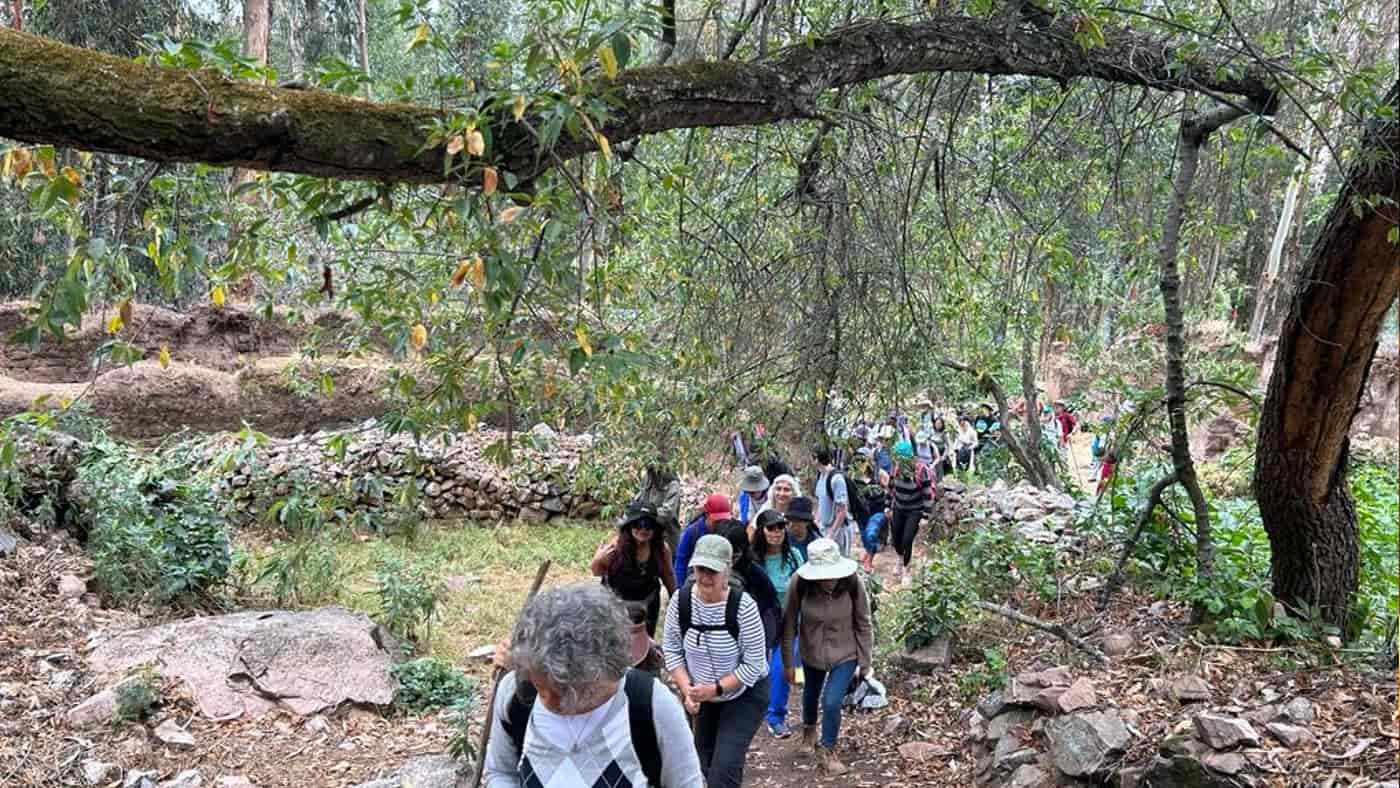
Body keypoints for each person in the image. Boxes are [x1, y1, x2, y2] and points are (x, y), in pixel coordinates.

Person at [484, 583, 704, 788]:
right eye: (540, 689)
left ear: (600, 675)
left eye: (561, 693)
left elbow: (687, 783)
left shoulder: (650, 705)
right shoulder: (516, 694)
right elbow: (500, 772)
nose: (547, 701)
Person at [662, 534, 770, 788]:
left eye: (713, 571)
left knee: (725, 766)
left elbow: (753, 664)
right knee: (699, 764)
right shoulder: (682, 601)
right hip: (702, 695)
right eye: (701, 569)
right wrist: (687, 689)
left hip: (745, 693)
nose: (706, 577)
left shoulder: (743, 606)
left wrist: (715, 688)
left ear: (726, 570)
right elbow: (672, 649)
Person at [780, 538, 873, 776]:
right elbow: (789, 623)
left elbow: (863, 622)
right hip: (811, 651)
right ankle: (809, 731)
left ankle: (828, 750)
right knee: (810, 694)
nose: (828, 580)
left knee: (831, 702)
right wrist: (788, 662)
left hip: (845, 651)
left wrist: (865, 662)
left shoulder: (852, 582)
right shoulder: (800, 583)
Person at [751, 510, 804, 739]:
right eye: (771, 528)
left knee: (782, 668)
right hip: (758, 622)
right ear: (761, 531)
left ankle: (776, 717)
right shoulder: (752, 560)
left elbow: (804, 585)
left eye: (780, 527)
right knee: (758, 670)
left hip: (789, 622)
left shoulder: (793, 556)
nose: (776, 532)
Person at [592, 504, 678, 637]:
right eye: (638, 524)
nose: (643, 529)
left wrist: (676, 600)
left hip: (647, 607)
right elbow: (596, 572)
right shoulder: (615, 548)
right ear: (629, 526)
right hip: (616, 606)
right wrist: (598, 559)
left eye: (648, 525)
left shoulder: (661, 549)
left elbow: (668, 575)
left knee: (645, 647)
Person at [888, 440, 933, 586]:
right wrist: (887, 507)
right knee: (896, 538)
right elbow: (891, 489)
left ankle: (906, 570)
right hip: (899, 507)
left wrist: (925, 516)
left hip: (915, 510)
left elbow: (927, 494)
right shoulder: (896, 469)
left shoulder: (921, 470)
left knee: (907, 540)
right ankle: (900, 558)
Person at [675, 494, 733, 587]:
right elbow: (681, 562)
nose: (721, 524)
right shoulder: (692, 532)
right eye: (717, 521)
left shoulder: (730, 530)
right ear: (707, 515)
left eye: (723, 520)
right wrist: (680, 589)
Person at [849, 450, 889, 572]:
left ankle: (869, 561)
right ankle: (868, 552)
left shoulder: (879, 474)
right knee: (865, 537)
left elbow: (888, 489)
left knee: (871, 534)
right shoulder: (852, 476)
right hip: (861, 513)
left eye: (862, 460)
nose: (859, 463)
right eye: (857, 460)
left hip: (877, 510)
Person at [813, 446, 853, 557]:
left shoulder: (836, 479)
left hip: (838, 530)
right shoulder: (821, 476)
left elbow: (842, 510)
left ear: (817, 459)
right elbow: (820, 502)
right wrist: (815, 522)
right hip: (825, 528)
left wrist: (831, 534)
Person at [635, 463, 682, 549]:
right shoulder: (647, 478)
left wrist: (647, 512)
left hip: (667, 535)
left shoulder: (672, 484)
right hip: (648, 533)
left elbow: (668, 513)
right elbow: (638, 500)